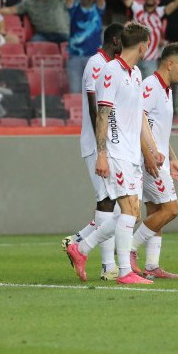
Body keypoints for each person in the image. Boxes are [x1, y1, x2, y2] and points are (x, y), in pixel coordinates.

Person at [63, 22, 160, 285]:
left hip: (131, 152)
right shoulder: (110, 70)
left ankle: (81, 248)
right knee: (127, 210)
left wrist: (152, 149)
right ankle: (123, 271)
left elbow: (139, 117)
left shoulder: (137, 74)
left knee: (130, 213)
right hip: (115, 150)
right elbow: (103, 113)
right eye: (147, 45)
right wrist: (102, 154)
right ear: (142, 45)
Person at [61, 23, 124, 281]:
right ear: (116, 40)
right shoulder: (95, 64)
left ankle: (78, 243)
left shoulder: (113, 66)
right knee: (109, 204)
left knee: (117, 207)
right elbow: (93, 108)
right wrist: (102, 147)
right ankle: (105, 265)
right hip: (96, 144)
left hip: (108, 145)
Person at [129, 42, 178, 278]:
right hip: (150, 161)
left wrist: (173, 158)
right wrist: (148, 156)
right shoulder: (150, 86)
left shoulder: (166, 90)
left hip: (160, 160)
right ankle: (129, 249)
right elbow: (137, 123)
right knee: (171, 209)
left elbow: (159, 131)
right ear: (170, 63)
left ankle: (152, 266)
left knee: (156, 212)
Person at [64, 0, 105, 93]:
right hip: (75, 58)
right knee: (75, 93)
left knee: (94, 95)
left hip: (94, 59)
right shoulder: (74, 8)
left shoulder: (98, 10)